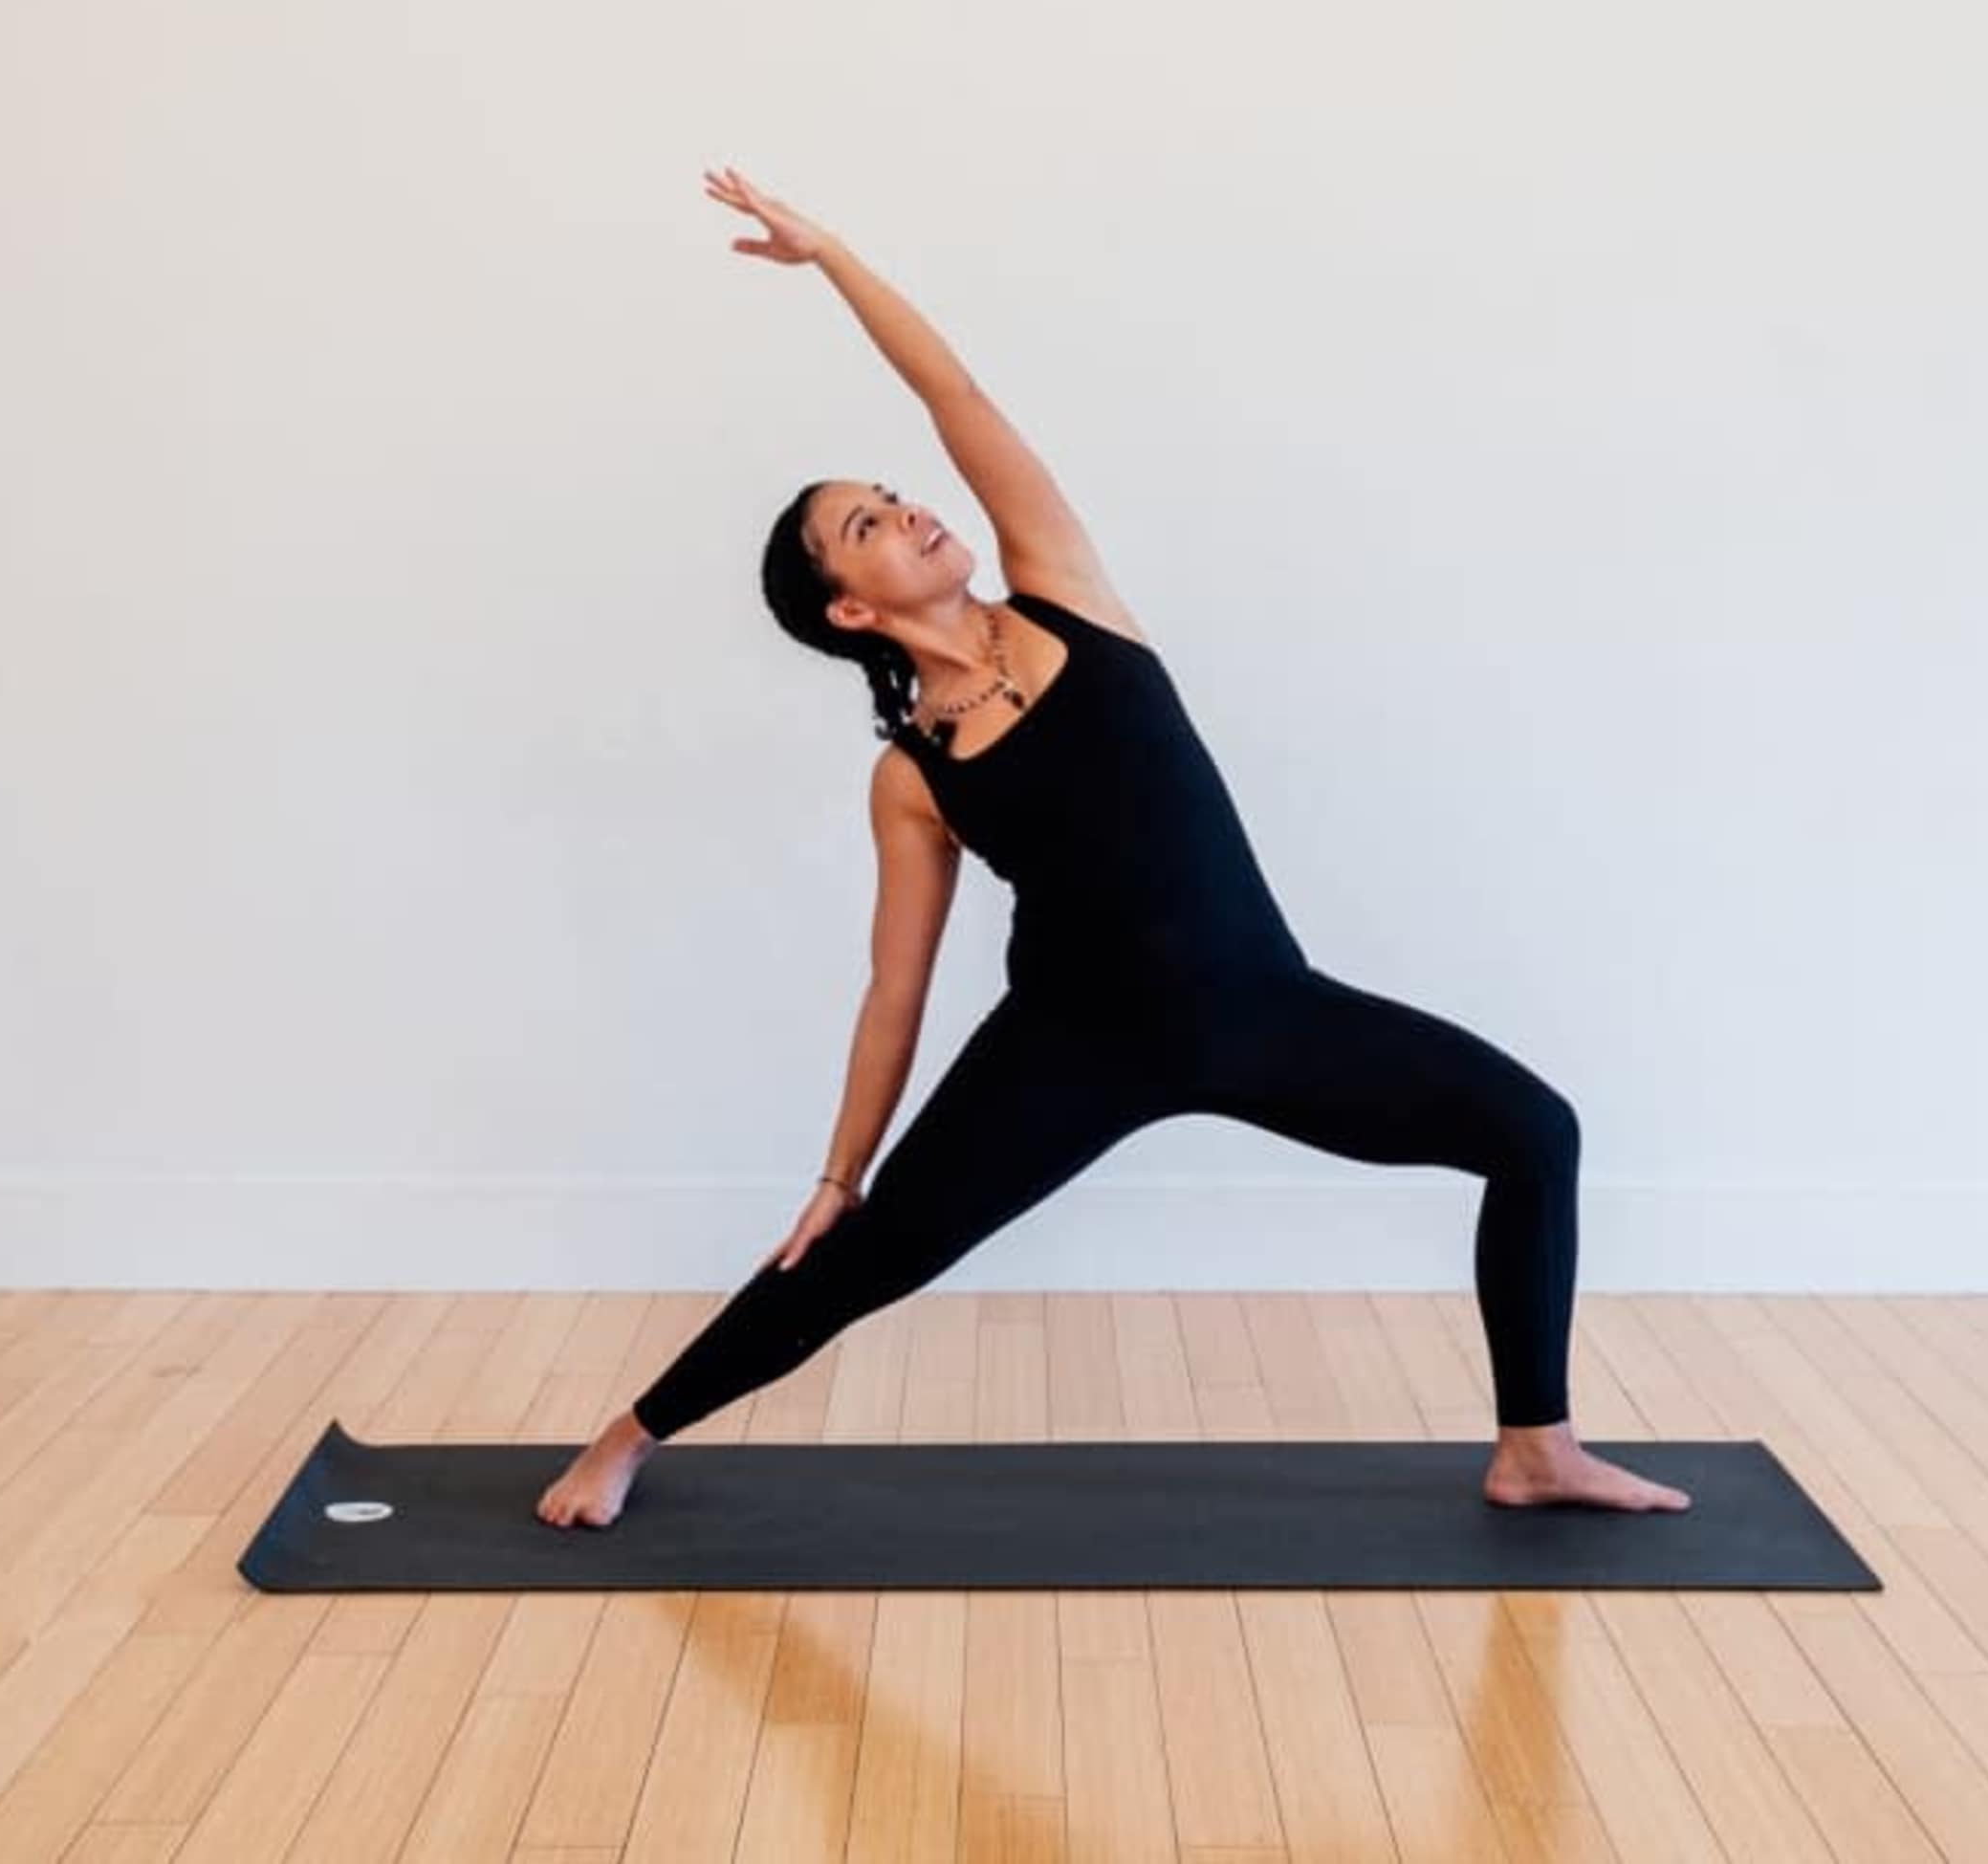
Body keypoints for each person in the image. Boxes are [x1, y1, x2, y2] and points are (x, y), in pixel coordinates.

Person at [535, 167, 1688, 1528]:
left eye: (892, 494)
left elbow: (955, 397)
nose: (908, 510)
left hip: (1264, 1010)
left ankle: (1534, 1445)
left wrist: (834, 254)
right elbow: (892, 991)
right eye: (868, 525)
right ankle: (623, 1437)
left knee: (1533, 1129)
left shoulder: (1066, 591)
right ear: (848, 610)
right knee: (865, 1254)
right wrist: (839, 1174)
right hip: (1071, 1046)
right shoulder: (914, 777)